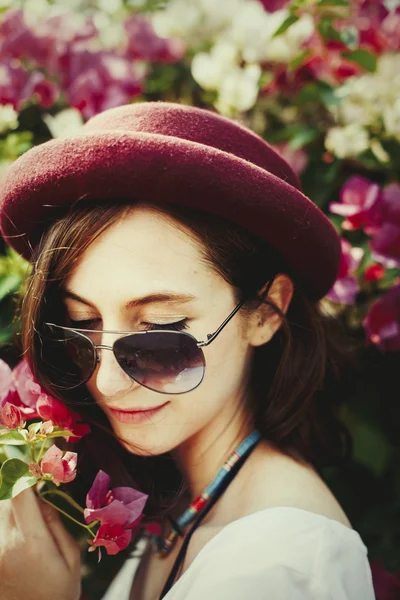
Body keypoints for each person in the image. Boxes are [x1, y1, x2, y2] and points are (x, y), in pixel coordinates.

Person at [0, 101, 376, 600]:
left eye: (161, 328)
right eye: (83, 324)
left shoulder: (280, 567)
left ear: (265, 312)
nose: (108, 382)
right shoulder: (185, 510)